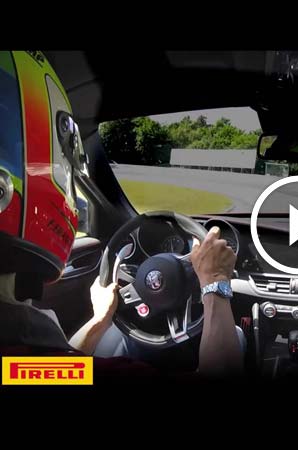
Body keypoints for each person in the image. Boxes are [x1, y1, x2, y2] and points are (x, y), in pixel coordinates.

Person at [0, 50, 242, 377]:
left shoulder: (23, 367)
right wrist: (214, 283)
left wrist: (100, 320)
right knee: (238, 338)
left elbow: (54, 371)